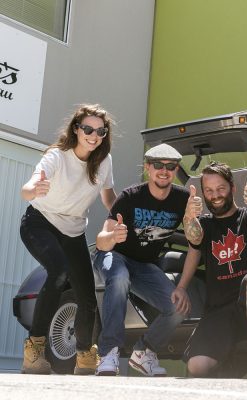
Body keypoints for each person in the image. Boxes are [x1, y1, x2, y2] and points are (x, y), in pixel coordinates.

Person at [19, 104, 117, 375]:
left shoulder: (104, 161)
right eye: (88, 129)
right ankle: (34, 350)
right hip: (40, 223)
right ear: (76, 129)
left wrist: (123, 215)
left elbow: (109, 197)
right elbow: (28, 188)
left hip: (73, 231)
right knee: (59, 271)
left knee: (87, 296)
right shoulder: (57, 156)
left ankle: (85, 356)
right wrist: (33, 189)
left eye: (100, 131)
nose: (94, 136)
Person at [93, 143, 194, 377]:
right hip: (114, 256)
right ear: (148, 167)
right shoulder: (130, 197)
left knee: (178, 307)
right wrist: (113, 236)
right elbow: (100, 241)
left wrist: (192, 217)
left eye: (171, 166)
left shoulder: (183, 199)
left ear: (176, 170)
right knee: (120, 277)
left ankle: (144, 352)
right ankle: (108, 352)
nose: (164, 170)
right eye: (158, 165)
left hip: (144, 265)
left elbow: (195, 242)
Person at [180, 161, 247, 379]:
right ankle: (230, 367)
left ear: (232, 188)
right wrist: (188, 216)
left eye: (221, 188)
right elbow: (194, 237)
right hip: (218, 312)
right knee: (196, 367)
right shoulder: (205, 225)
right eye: (209, 191)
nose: (215, 195)